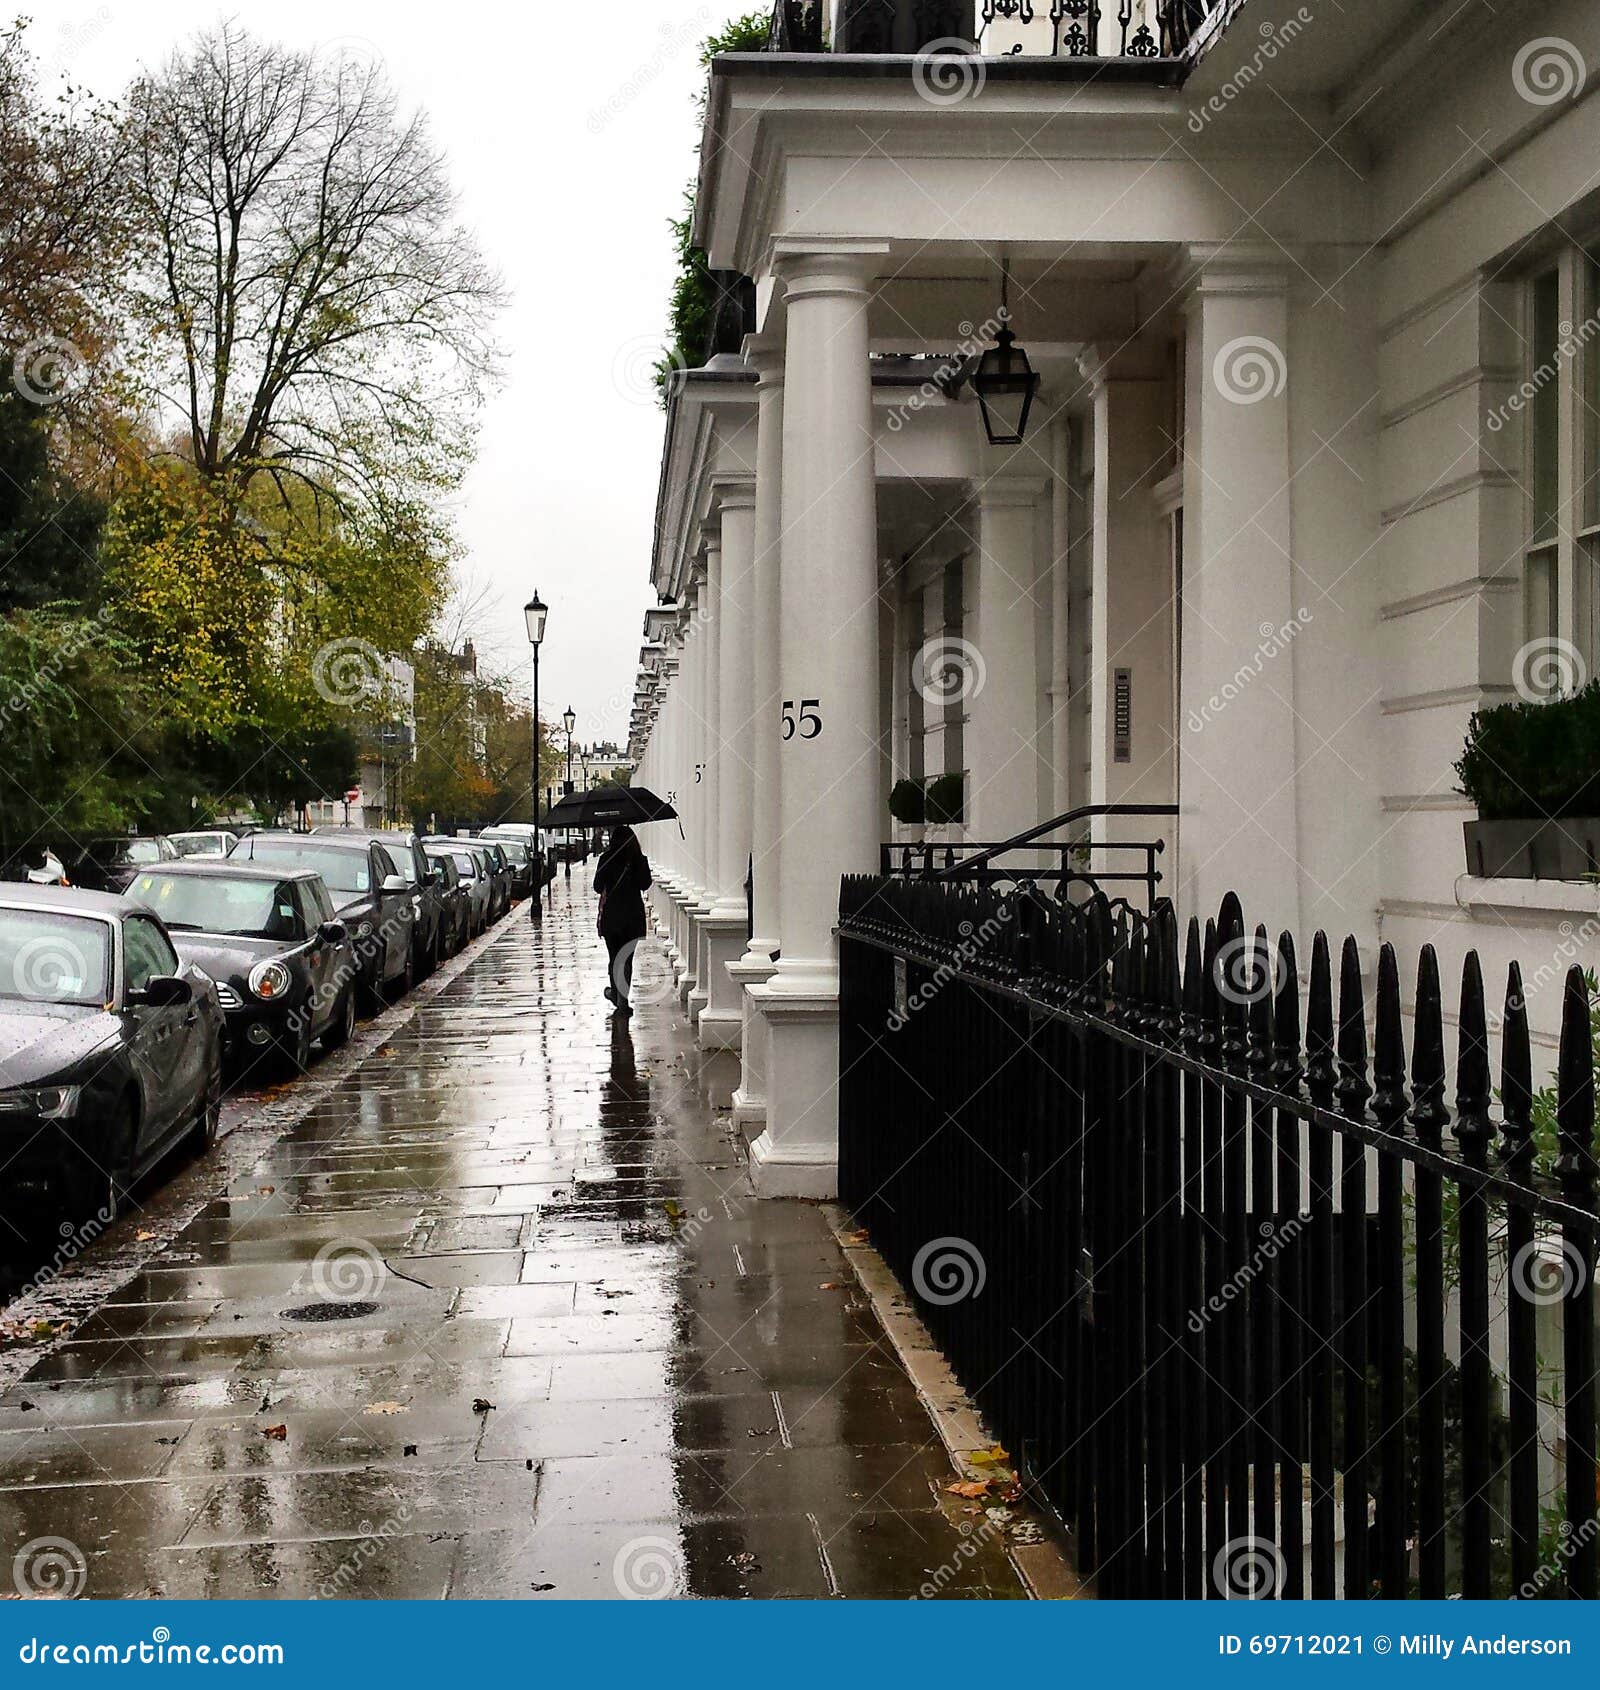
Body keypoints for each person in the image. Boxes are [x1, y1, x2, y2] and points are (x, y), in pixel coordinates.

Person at [592, 823, 651, 1015]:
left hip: (612, 916)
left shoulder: (606, 859)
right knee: (626, 959)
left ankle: (617, 994)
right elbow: (645, 884)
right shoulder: (639, 860)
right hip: (633, 916)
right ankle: (621, 997)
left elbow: (597, 886)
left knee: (614, 957)